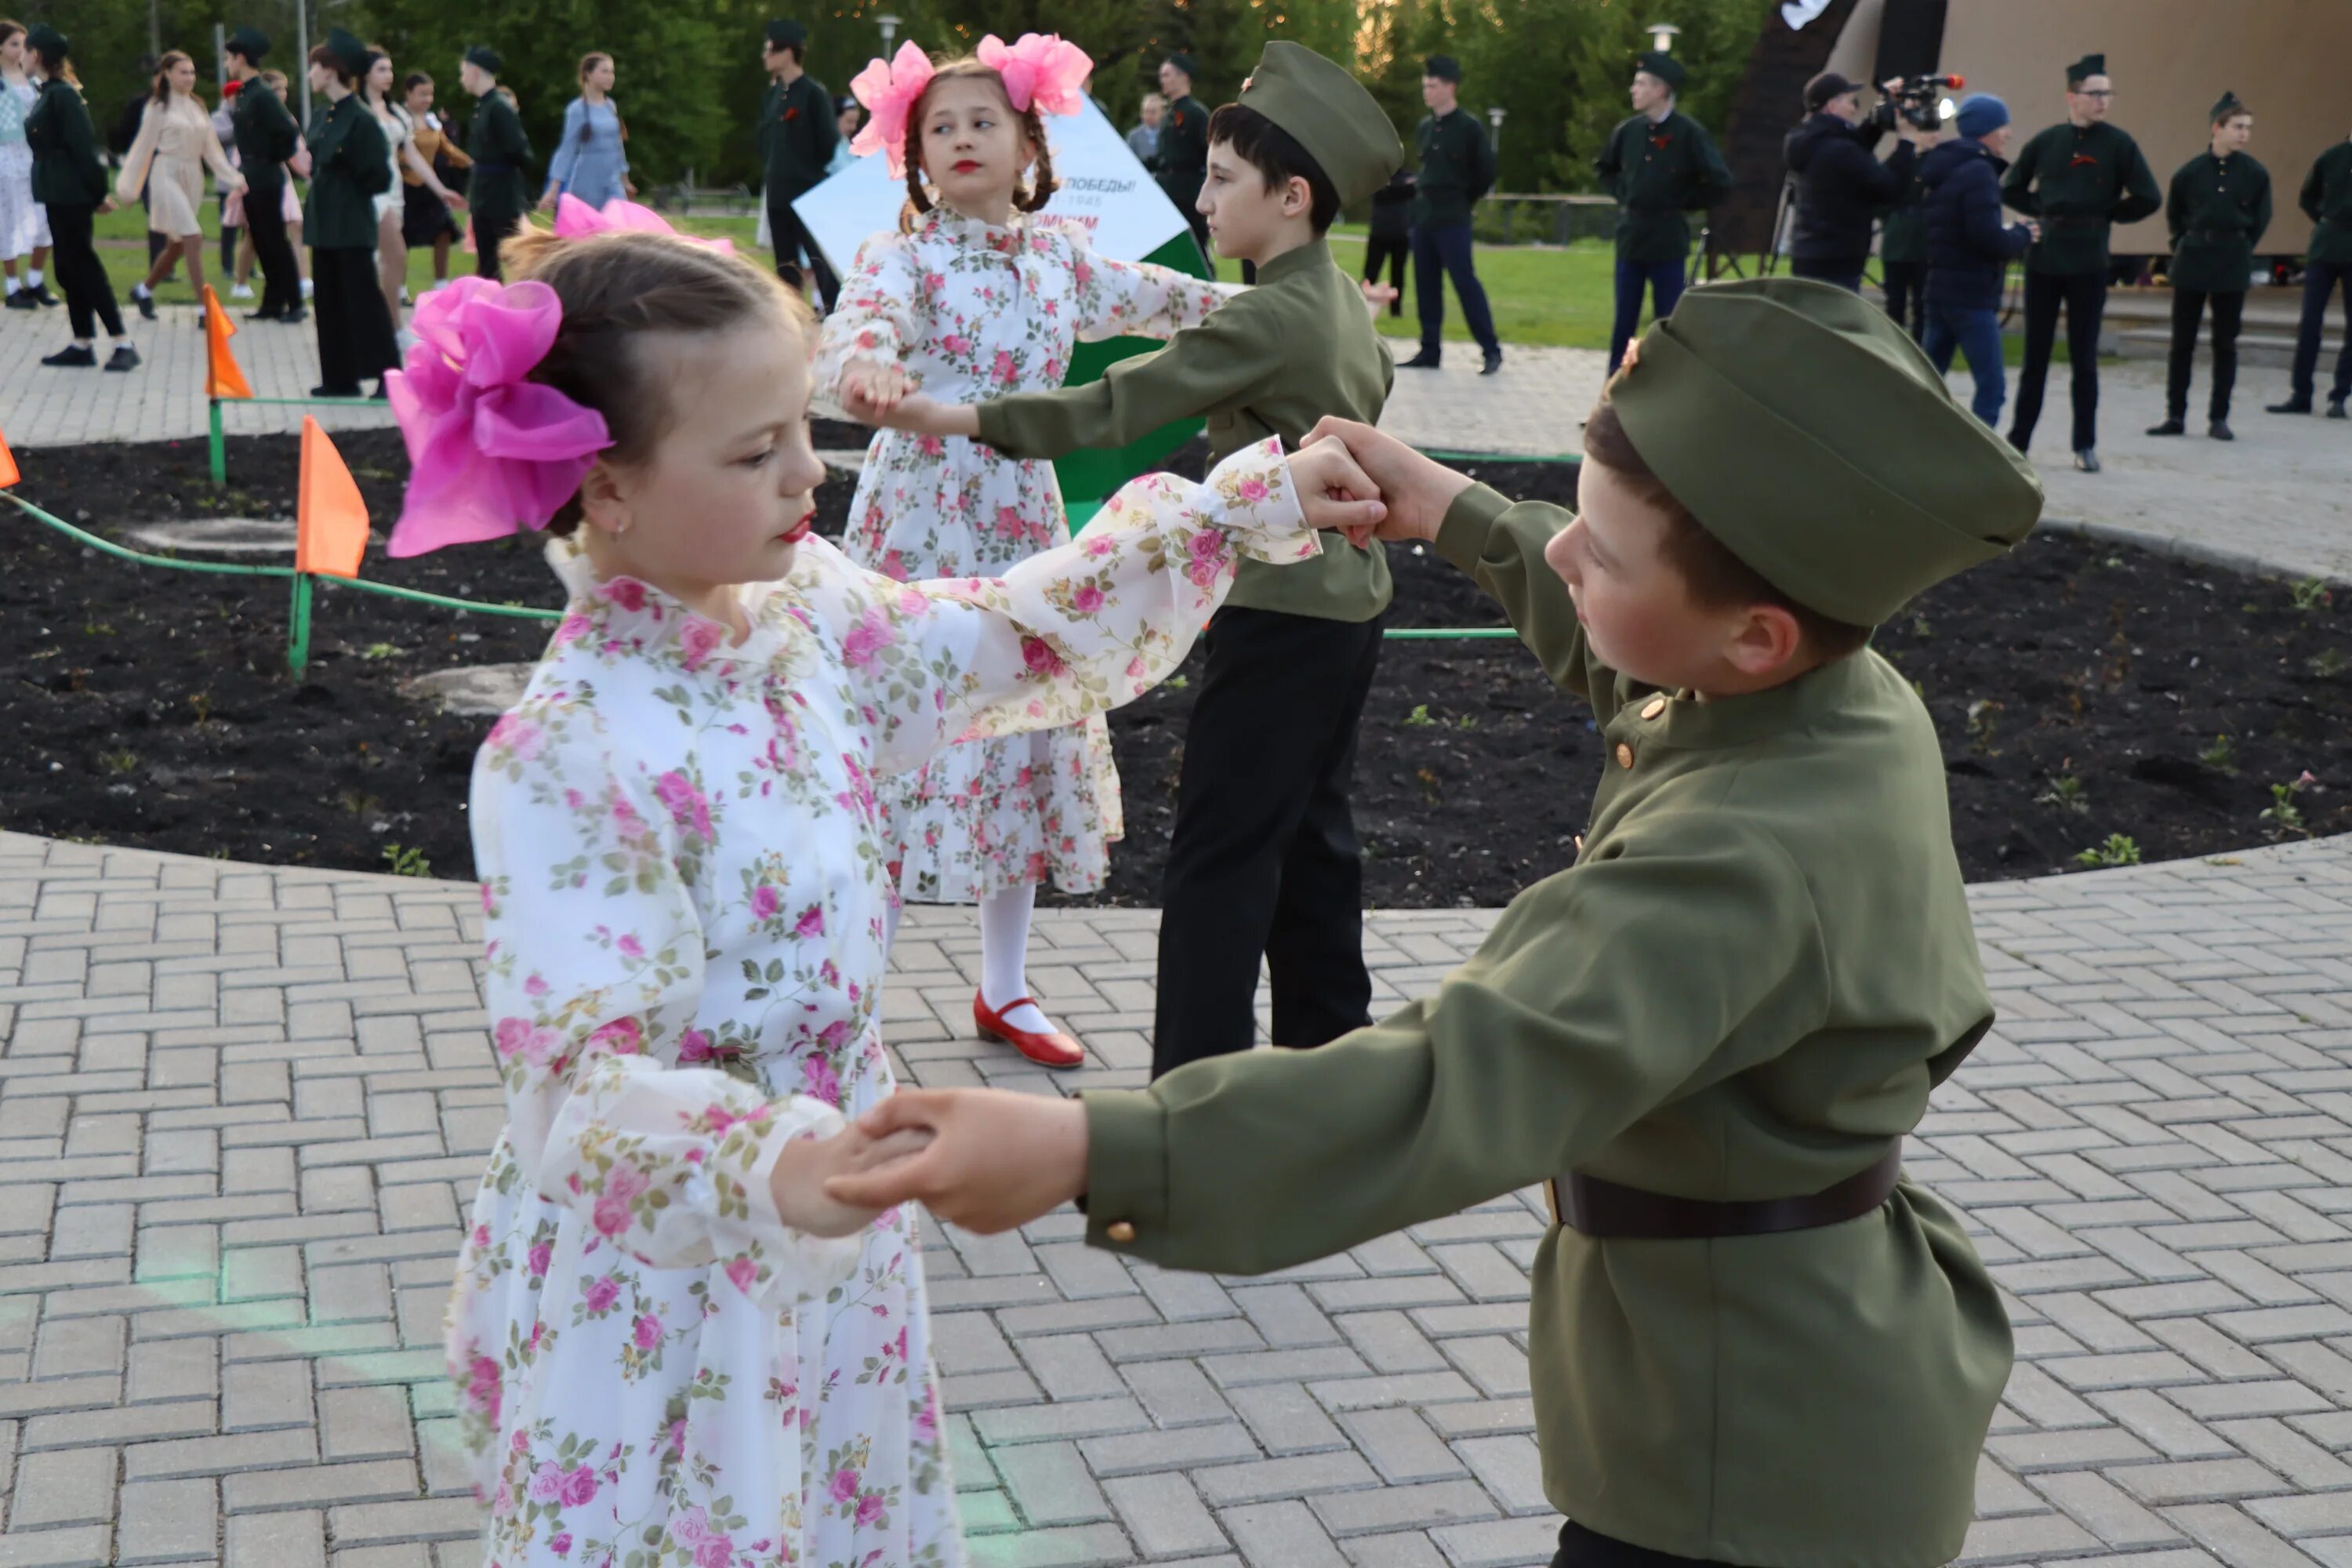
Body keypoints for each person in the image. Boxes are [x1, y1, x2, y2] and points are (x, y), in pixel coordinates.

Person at [832, 277, 2045, 1568]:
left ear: (1756, 634)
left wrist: (1094, 1153)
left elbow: (1450, 1080)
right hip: (1783, 1382)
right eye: (1576, 521)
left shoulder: (1733, 863)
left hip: (1745, 1458)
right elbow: (1638, 660)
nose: (1568, 551)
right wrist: (1455, 509)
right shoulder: (1826, 700)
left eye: (1604, 550)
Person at [395, 212, 1379, 1568]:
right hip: (682, 1267)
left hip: (838, 1212)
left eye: (804, 426)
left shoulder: (809, 614)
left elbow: (1005, 634)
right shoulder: (570, 749)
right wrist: (779, 1164)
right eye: (755, 453)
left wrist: (1232, 508)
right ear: (603, 485)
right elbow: (581, 1090)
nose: (810, 473)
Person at [859, 41, 1406, 1081]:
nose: (1202, 199)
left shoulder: (1273, 313)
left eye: (1223, 179)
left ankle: (1193, 1102)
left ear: (1291, 197)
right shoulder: (1332, 302)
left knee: (1220, 864)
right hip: (1349, 613)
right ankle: (1333, 1073)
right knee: (1315, 852)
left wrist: (955, 412)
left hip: (1278, 610)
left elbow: (1119, 402)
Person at [814, 34, 1229, 1069]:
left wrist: (1290, 312)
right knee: (902, 733)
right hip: (914, 522)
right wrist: (865, 367)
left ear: (1028, 142)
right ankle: (854, 997)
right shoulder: (899, 257)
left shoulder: (1061, 260)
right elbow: (860, 327)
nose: (959, 139)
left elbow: (1168, 300)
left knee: (1023, 721)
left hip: (1019, 524)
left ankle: (1006, 988)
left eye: (980, 122)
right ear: (914, 158)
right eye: (939, 128)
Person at [1999, 54, 2162, 473]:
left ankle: (2084, 443)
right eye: (2095, 93)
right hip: (2045, 258)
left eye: (2108, 93)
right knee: (2035, 355)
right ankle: (2018, 441)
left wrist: (2108, 213)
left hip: (2089, 259)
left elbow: (2147, 195)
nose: (2103, 101)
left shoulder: (2119, 144)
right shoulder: (2048, 140)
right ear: (2073, 97)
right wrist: (2042, 210)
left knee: (2083, 357)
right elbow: (2012, 186)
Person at [1595, 49, 1731, 372]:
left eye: (1641, 84)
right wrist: (1625, 194)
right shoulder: (1628, 132)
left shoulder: (1688, 134)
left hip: (1667, 239)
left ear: (1661, 90)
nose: (1633, 89)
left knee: (1667, 323)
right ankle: (1611, 400)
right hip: (1632, 237)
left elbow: (1720, 181)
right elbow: (1605, 169)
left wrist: (1683, 200)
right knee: (1623, 323)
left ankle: (1664, 395)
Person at [2150, 93, 2270, 441]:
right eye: (2238, 127)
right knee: (2182, 342)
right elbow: (2175, 215)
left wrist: (2243, 249)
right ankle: (2174, 415)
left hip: (2232, 261)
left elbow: (2260, 219)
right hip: (2193, 259)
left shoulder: (2255, 174)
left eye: (2248, 128)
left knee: (2225, 342)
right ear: (2217, 128)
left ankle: (2219, 416)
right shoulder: (2190, 172)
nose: (2244, 134)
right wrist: (2182, 246)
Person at [1920, 93, 2037, 428]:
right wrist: (2023, 235)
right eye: (2003, 126)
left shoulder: (1943, 168)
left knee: (1927, 380)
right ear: (1987, 130)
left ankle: (1911, 442)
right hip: (1970, 295)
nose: (2008, 133)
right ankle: (1981, 456)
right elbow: (1988, 238)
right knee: (1992, 387)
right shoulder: (1979, 173)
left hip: (1940, 289)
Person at [24, 24, 136, 368]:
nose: (22, 58)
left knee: (84, 266)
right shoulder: (49, 92)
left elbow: (84, 150)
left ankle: (122, 342)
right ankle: (82, 340)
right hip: (57, 192)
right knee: (68, 269)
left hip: (72, 193)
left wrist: (96, 193)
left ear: (37, 55)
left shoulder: (64, 96)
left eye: (26, 51)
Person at [305, 31, 400, 397]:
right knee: (328, 301)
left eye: (316, 65)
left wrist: (351, 173)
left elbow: (379, 175)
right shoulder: (322, 115)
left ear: (330, 71)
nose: (311, 73)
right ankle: (339, 378)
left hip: (352, 220)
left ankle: (388, 376)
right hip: (324, 219)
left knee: (363, 301)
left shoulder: (361, 120)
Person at [118, 51, 245, 321]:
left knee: (178, 242)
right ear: (167, 74)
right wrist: (128, 186)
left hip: (192, 175)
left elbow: (211, 149)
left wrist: (234, 178)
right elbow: (142, 147)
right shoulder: (157, 107)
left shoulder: (196, 106)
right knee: (193, 236)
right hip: (166, 174)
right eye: (183, 72)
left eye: (192, 72)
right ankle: (204, 308)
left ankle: (143, 290)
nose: (189, 77)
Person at [1401, 54, 1501, 374]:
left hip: (1453, 216)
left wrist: (1464, 200)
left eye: (1432, 86)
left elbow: (1485, 172)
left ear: (1449, 87)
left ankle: (1490, 350)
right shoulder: (1426, 127)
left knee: (1464, 282)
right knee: (1425, 284)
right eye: (1424, 86)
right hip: (1424, 215)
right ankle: (1430, 350)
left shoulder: (1469, 128)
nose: (1426, 92)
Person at [1783, 70, 1918, 292]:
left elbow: (1853, 147)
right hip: (1839, 258)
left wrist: (1880, 113)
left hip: (1810, 251)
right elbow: (1889, 188)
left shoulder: (1809, 141)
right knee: (1835, 322)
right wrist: (1907, 142)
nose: (1854, 108)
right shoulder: (1840, 151)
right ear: (1832, 106)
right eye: (1850, 101)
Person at [2267, 129, 2352, 419]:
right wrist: (2327, 221)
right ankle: (2301, 393)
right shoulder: (2331, 157)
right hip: (2325, 248)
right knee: (2310, 322)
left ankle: (2340, 395)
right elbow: (2307, 196)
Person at [223, 26, 302, 323]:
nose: (227, 63)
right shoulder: (247, 94)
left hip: (265, 176)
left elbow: (287, 130)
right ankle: (272, 303)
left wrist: (270, 157)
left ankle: (294, 303)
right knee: (261, 239)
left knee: (274, 241)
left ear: (240, 58)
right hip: (252, 174)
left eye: (229, 57)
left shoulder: (262, 95)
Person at [759, 18, 840, 307]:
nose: (765, 56)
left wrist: (805, 170)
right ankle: (792, 319)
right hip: (778, 192)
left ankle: (835, 314)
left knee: (818, 259)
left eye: (770, 49)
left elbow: (828, 142)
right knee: (785, 265)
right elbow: (764, 140)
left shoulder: (813, 93)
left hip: (806, 191)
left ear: (787, 52)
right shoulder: (773, 95)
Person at [0, 18, 58, 310]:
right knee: (9, 220)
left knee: (44, 217)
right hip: (7, 155)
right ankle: (12, 285)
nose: (21, 50)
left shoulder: (34, 78)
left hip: (35, 155)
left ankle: (36, 279)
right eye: (14, 44)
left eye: (24, 44)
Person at [458, 45, 529, 282]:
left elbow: (519, 151)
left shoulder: (499, 107)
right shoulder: (482, 107)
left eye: (464, 72)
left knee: (512, 254)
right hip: (483, 192)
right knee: (486, 259)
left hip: (501, 193)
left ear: (475, 72)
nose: (462, 79)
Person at [401, 72, 470, 286]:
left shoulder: (432, 122)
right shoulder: (398, 120)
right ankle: (400, 288)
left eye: (430, 94)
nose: (427, 99)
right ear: (409, 94)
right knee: (402, 238)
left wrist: (472, 163)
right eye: (422, 94)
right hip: (404, 187)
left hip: (430, 187)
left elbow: (447, 148)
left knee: (444, 231)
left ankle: (440, 283)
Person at [539, 52, 630, 212]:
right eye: (605, 71)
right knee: (589, 232)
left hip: (611, 180)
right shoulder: (577, 110)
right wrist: (554, 188)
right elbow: (567, 149)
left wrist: (625, 177)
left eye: (612, 72)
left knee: (619, 227)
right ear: (588, 74)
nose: (611, 77)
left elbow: (617, 144)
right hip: (587, 181)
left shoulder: (610, 105)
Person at [1877, 125, 1934, 337]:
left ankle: (1919, 349)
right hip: (1898, 239)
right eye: (1928, 130)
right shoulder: (1900, 162)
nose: (1933, 136)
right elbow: (1878, 192)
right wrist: (1891, 217)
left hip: (1923, 243)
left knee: (1922, 303)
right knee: (1895, 302)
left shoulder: (1935, 164)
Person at [1155, 53, 1210, 265]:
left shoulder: (1197, 114)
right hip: (1167, 189)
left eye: (1167, 75)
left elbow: (1208, 152)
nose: (1163, 80)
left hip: (1189, 191)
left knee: (1196, 244)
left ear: (1183, 77)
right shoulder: (1169, 113)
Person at [1365, 164, 1411, 318]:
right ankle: (1362, 303)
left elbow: (1414, 189)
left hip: (1400, 233)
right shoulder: (1378, 178)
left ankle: (1396, 310)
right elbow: (1382, 194)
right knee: (1371, 273)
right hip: (1380, 232)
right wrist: (1402, 188)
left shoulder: (1405, 177)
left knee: (1398, 274)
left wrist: (1397, 188)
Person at [824, 93, 858, 176]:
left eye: (855, 122)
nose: (854, 128)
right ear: (834, 118)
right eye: (849, 122)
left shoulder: (844, 142)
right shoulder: (827, 145)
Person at [1127, 91, 1163, 167]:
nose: (1149, 116)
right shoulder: (1134, 136)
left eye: (1153, 112)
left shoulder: (1168, 135)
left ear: (1162, 113)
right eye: (1146, 112)